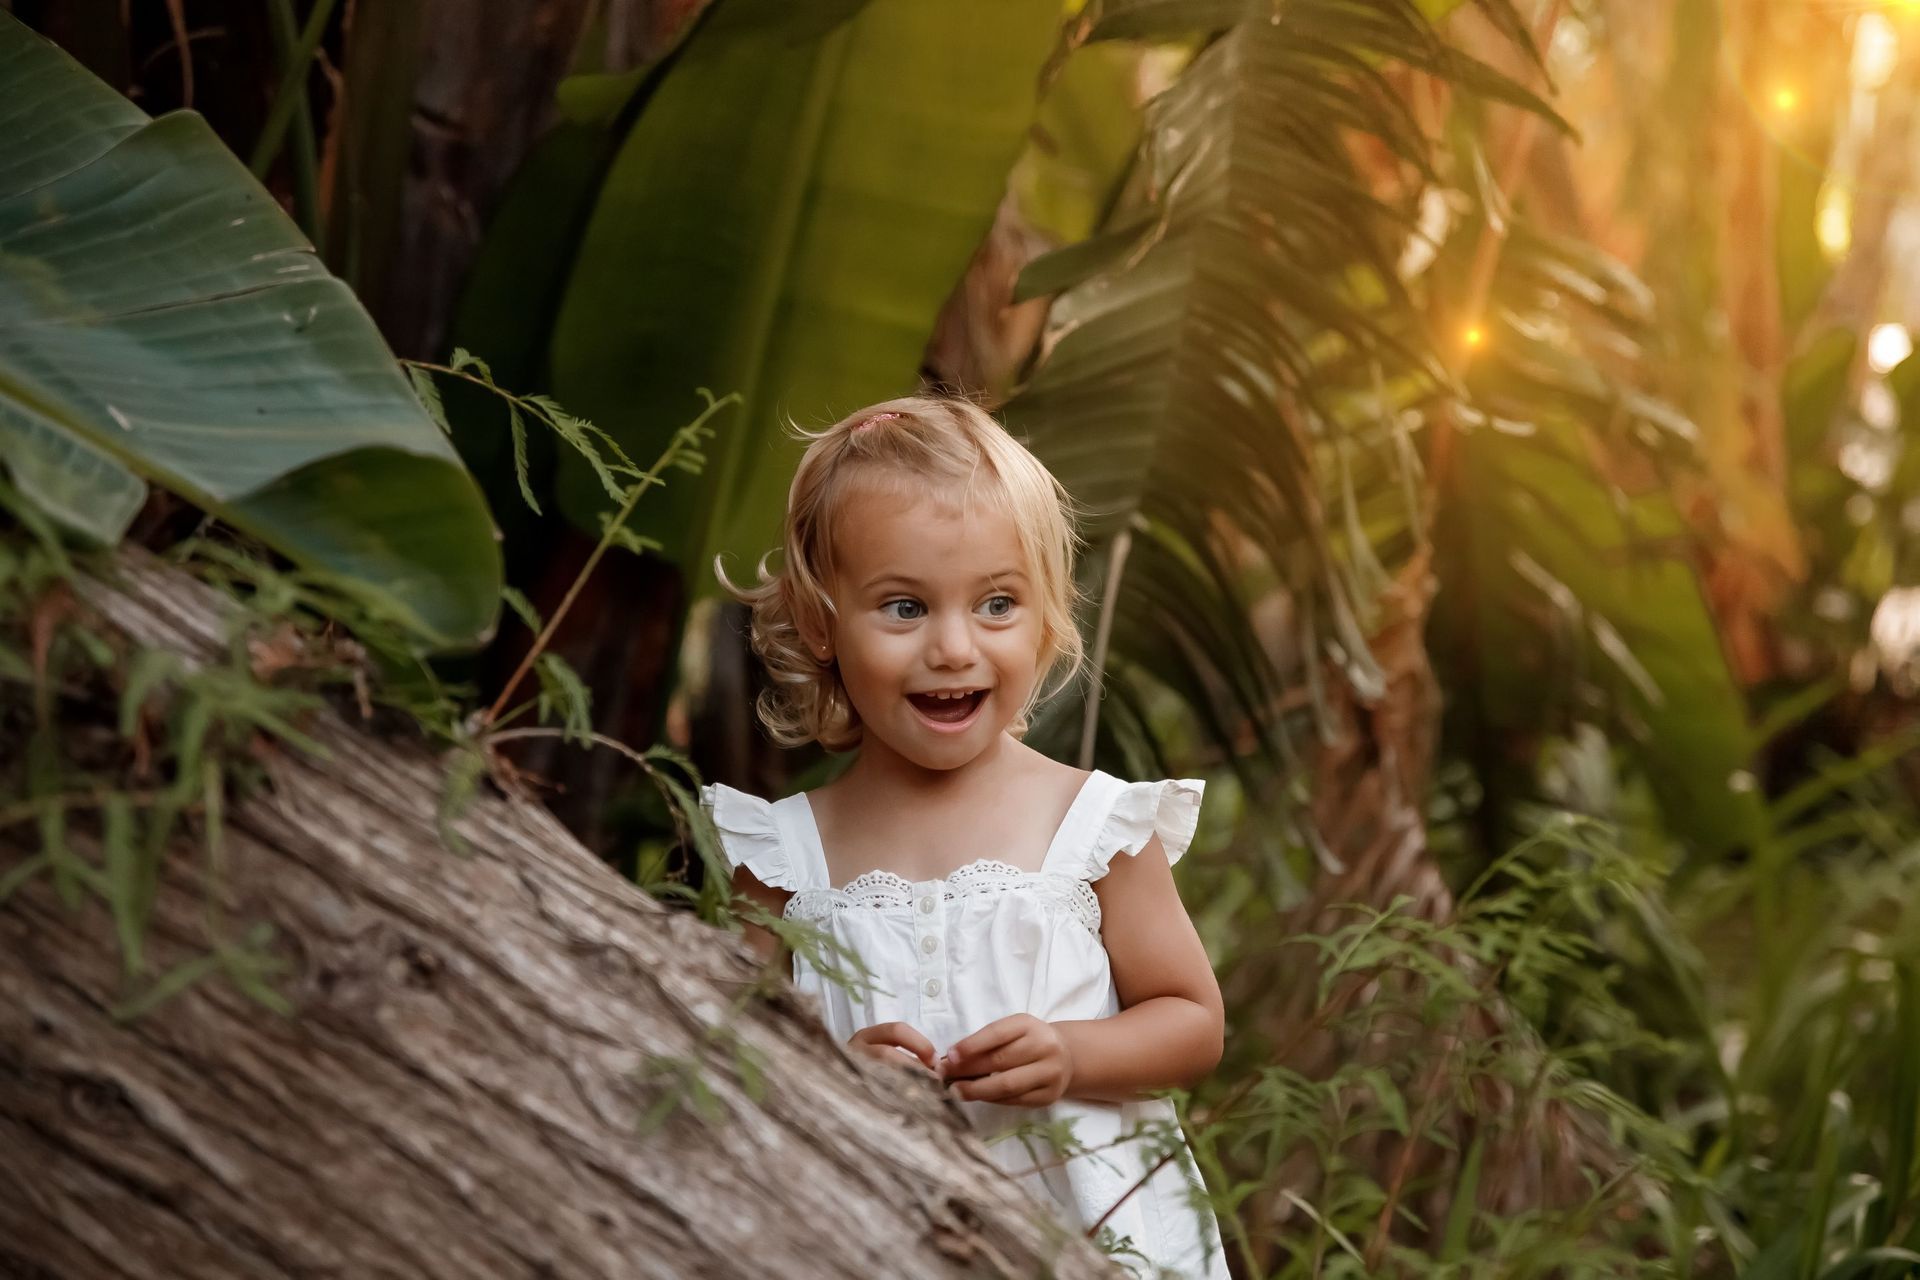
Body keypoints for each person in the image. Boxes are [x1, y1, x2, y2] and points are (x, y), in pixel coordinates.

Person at [701, 396, 1229, 1278]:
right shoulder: (782, 861)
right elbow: (730, 1060)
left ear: (1047, 613)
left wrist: (1070, 1054)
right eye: (904, 607)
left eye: (995, 603)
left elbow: (1193, 1025)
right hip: (874, 1241)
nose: (953, 647)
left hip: (1100, 1247)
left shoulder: (1093, 828)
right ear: (823, 623)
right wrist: (832, 1082)